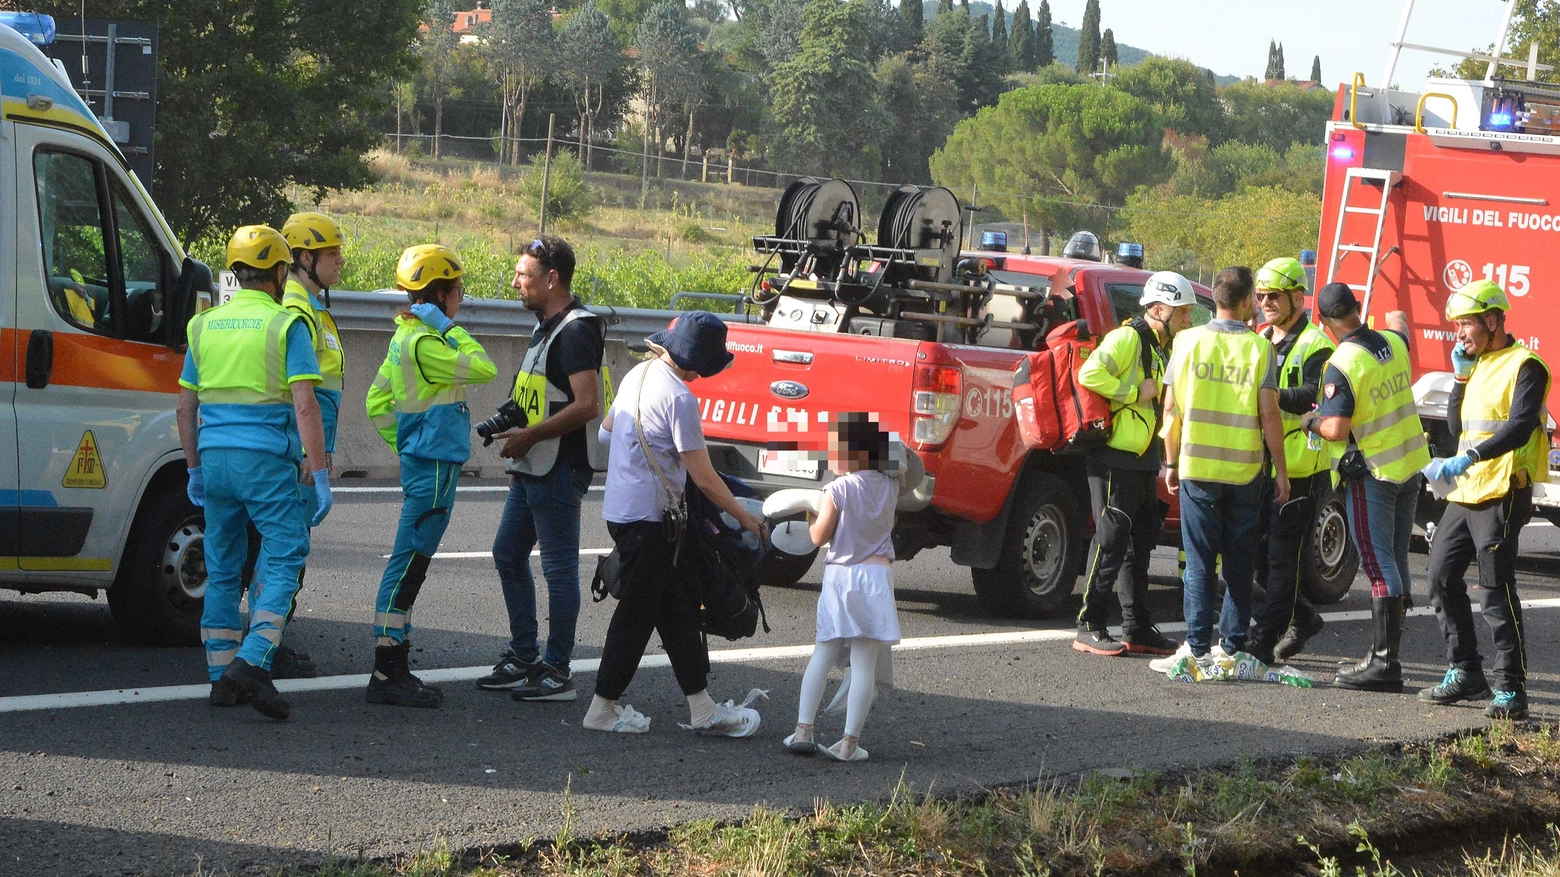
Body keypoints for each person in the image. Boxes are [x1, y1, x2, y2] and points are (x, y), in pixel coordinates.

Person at [584, 311, 768, 736]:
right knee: (636, 614)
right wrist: (746, 518)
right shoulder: (680, 398)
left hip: (623, 512)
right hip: (654, 521)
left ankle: (701, 707)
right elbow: (704, 477)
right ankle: (601, 709)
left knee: (676, 605)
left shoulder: (639, 374)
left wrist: (641, 460)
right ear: (698, 361)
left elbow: (607, 435)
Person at [176, 225, 333, 720]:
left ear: (236, 272)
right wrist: (322, 474)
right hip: (265, 461)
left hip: (215, 460)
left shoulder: (203, 325)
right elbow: (306, 407)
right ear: (281, 272)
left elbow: (186, 406)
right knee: (286, 552)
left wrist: (195, 469)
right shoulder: (288, 325)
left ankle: (222, 679)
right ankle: (253, 660)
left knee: (222, 566)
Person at [364, 244, 497, 708]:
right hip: (436, 466)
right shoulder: (428, 342)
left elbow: (376, 404)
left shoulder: (402, 339)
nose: (460, 298)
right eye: (457, 290)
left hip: (425, 462)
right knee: (409, 563)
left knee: (409, 561)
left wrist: (405, 443)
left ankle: (393, 664)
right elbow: (484, 365)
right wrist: (449, 328)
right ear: (438, 294)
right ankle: (387, 671)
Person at [477, 236, 609, 702]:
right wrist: (508, 422)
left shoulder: (576, 330)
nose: (516, 283)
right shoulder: (546, 328)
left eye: (524, 276)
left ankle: (557, 670)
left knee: (558, 571)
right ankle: (525, 654)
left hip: (559, 467)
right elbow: (536, 396)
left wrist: (531, 435)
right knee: (507, 553)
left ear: (551, 279)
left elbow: (587, 405)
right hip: (533, 465)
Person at [1418, 279, 1549, 719]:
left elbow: (1520, 425)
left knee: (1494, 589)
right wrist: (1459, 378)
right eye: (1457, 327)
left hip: (1503, 490)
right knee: (1438, 577)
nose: (1460, 335)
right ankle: (1465, 671)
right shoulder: (1476, 365)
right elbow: (1457, 428)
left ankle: (1511, 689)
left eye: (1466, 326)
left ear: (1492, 321)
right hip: (1468, 489)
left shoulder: (1527, 365)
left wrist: (1469, 457)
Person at [1153, 266, 1288, 673]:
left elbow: (1170, 408)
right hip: (1245, 473)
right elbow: (1269, 414)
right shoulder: (1260, 348)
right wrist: (1281, 471)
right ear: (1248, 301)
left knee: (1199, 563)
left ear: (1214, 298)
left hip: (1197, 466)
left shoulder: (1187, 341)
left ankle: (1196, 649)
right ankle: (1231, 648)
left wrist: (1171, 461)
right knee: (1239, 564)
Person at [1300, 283, 1429, 692]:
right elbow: (1401, 328)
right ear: (1358, 308)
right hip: (1409, 467)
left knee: (1377, 565)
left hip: (1372, 471)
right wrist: (1398, 318)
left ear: (1323, 322)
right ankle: (1389, 656)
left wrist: (1309, 421)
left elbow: (1336, 429)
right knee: (1397, 558)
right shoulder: (1392, 343)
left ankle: (1383, 665)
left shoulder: (1341, 362)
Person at [1070, 271, 1194, 658]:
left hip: (1142, 460)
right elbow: (1088, 373)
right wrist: (1131, 393)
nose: (1188, 319)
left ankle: (1137, 628)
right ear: (1159, 310)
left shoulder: (1158, 346)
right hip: (1113, 459)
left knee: (1139, 546)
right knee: (1109, 542)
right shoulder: (1127, 338)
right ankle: (1088, 626)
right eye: (1183, 311)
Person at [246, 210, 346, 681]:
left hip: (312, 446)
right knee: (283, 546)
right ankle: (265, 644)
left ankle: (270, 639)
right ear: (304, 257)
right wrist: (310, 453)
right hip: (302, 451)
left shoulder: (313, 306)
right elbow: (301, 393)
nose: (340, 261)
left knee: (289, 544)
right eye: (332, 253)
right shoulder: (297, 310)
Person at [788, 414, 902, 762]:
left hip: (841, 578)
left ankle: (802, 730)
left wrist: (810, 515)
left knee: (822, 654)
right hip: (877, 578)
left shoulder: (837, 490)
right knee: (864, 663)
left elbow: (818, 536)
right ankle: (849, 744)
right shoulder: (890, 487)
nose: (830, 456)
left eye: (836, 449)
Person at [1247, 257, 1336, 666]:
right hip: (1264, 464)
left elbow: (1314, 396)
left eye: (1274, 296)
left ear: (1298, 297)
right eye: (1261, 295)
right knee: (1261, 561)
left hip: (1301, 468)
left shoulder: (1317, 344)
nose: (1265, 302)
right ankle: (1304, 618)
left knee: (1282, 560)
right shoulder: (1262, 336)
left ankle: (1261, 641)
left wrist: (1272, 395)